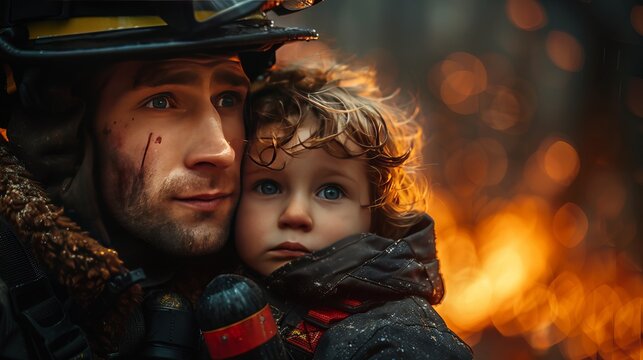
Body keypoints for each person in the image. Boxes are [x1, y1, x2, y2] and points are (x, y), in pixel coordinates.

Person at [0, 1, 322, 358]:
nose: (221, 152)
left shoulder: (298, 264)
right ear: (64, 129)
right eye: (161, 102)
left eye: (228, 98)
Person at [234, 63, 474, 359]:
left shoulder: (400, 337)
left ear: (374, 215)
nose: (295, 214)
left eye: (331, 191)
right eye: (268, 186)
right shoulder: (196, 278)